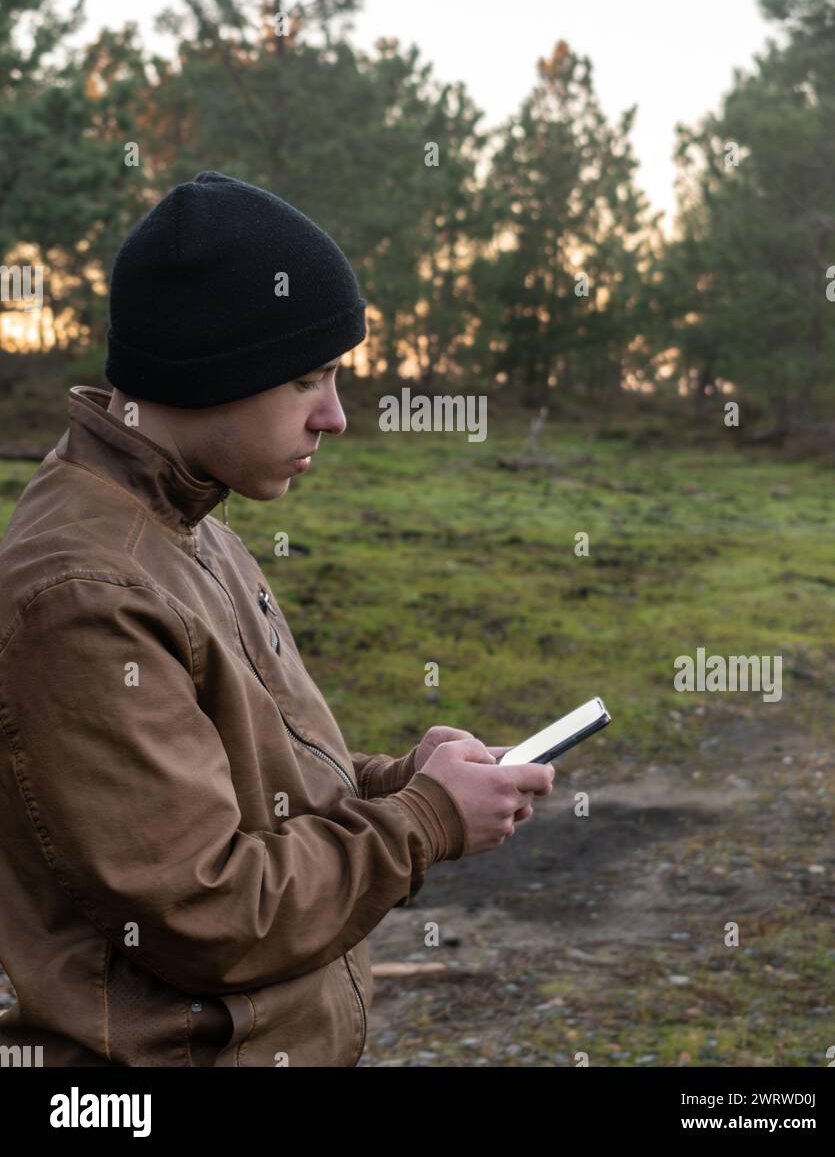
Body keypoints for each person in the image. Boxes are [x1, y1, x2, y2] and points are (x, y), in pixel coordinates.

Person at [0, 170, 553, 1067]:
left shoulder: (188, 525)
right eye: (308, 379)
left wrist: (401, 778)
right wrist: (424, 821)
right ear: (214, 367)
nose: (334, 417)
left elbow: (255, 780)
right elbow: (209, 909)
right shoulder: (85, 593)